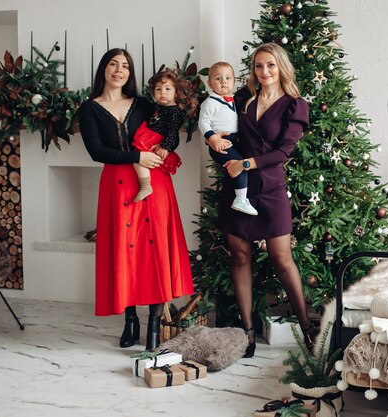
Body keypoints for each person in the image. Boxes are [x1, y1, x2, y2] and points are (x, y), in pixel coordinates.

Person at [79, 48, 194, 351]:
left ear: (131, 72)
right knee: (124, 251)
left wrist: (162, 150)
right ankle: (131, 320)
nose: (119, 70)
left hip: (155, 184)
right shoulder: (89, 108)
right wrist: (136, 155)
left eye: (126, 66)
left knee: (156, 250)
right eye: (113, 64)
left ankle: (154, 327)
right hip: (117, 186)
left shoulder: (144, 104)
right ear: (103, 68)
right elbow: (96, 152)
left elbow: (170, 127)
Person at [207, 43, 317, 357]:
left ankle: (308, 329)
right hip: (238, 189)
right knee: (240, 258)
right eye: (258, 66)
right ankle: (247, 333)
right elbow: (220, 131)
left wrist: (248, 163)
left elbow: (283, 152)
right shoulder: (241, 100)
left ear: (281, 67)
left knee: (282, 259)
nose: (264, 72)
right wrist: (218, 147)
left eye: (270, 65)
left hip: (270, 189)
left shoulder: (295, 105)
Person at [198, 62, 258, 215]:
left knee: (239, 165)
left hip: (234, 140)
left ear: (234, 81)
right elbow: (203, 122)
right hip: (221, 142)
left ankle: (240, 198)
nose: (224, 81)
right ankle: (240, 199)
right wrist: (212, 139)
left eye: (228, 78)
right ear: (209, 83)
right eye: (218, 78)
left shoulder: (231, 99)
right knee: (240, 165)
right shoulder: (210, 102)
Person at [132, 68, 196, 202]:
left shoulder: (175, 112)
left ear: (176, 93)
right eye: (158, 89)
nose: (163, 93)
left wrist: (165, 147)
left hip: (156, 140)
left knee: (138, 158)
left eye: (168, 89)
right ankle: (144, 184)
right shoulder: (159, 108)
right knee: (136, 157)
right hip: (149, 136)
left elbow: (173, 132)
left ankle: (145, 186)